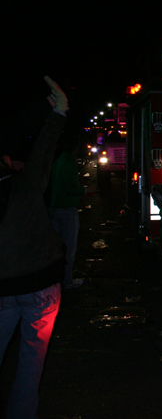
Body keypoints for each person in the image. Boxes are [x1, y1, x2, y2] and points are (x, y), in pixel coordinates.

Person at [0, 76, 69, 419]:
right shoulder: (25, 185)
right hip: (41, 282)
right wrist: (57, 111)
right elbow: (44, 149)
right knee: (31, 364)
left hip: (4, 287)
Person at [47, 131, 91, 289]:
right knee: (69, 249)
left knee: (56, 249)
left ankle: (55, 281)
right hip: (66, 209)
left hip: (54, 207)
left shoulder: (58, 159)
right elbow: (69, 188)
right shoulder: (68, 161)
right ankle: (67, 281)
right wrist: (83, 190)